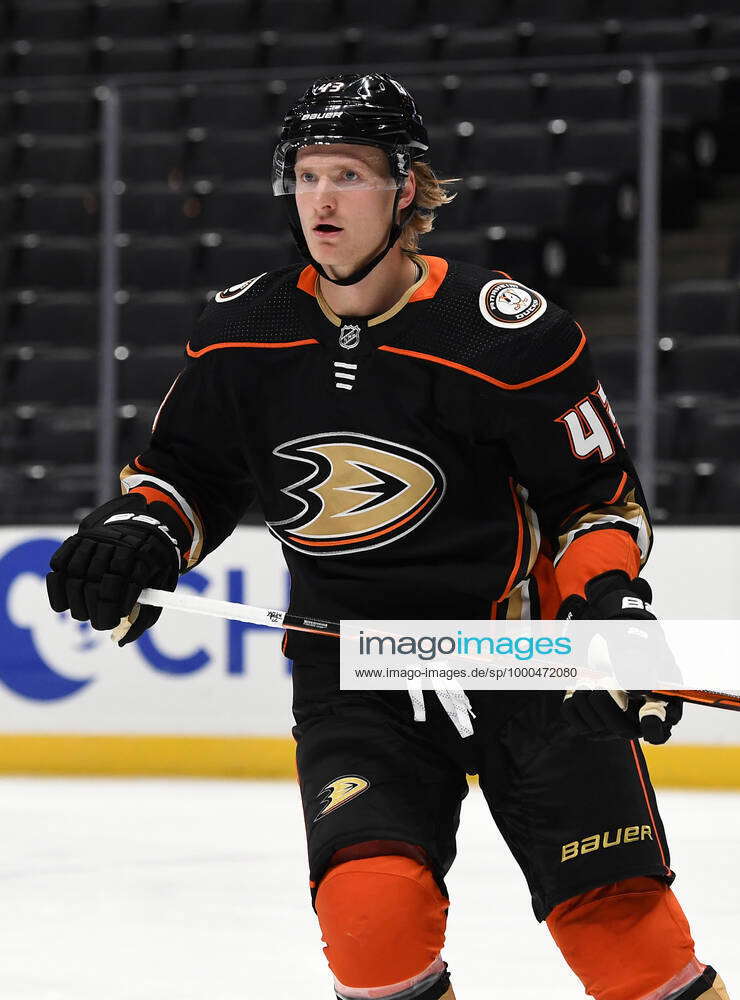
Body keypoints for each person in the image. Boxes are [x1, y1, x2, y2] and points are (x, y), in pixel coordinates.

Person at [47, 73, 730, 1000]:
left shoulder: (508, 335)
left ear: (408, 188)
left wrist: (612, 600)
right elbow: (185, 474)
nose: (322, 199)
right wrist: (140, 529)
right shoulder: (243, 330)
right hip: (355, 668)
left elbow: (595, 500)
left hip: (527, 659)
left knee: (629, 944)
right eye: (307, 174)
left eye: (351, 175)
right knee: (373, 925)